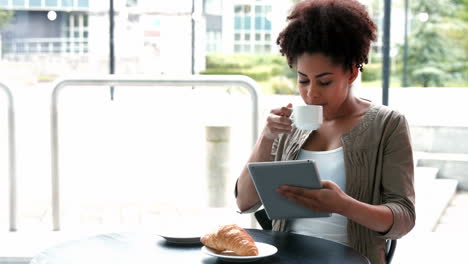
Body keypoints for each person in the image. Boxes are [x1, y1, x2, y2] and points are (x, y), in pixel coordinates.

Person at [234, 0, 415, 263]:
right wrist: (267, 136)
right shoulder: (289, 123)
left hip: (355, 259)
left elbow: (404, 218)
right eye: (303, 79)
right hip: (288, 256)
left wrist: (342, 205)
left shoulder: (387, 124)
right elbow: (244, 203)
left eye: (325, 81)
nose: (311, 93)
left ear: (352, 73)